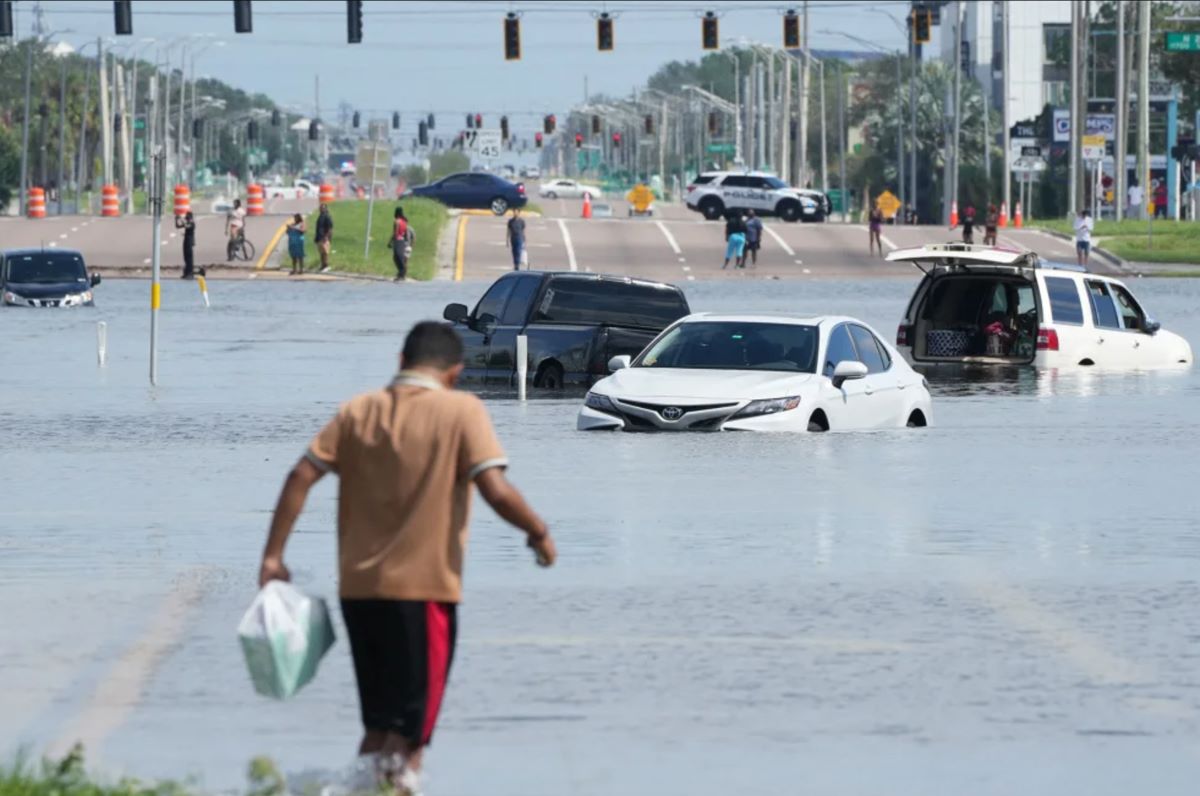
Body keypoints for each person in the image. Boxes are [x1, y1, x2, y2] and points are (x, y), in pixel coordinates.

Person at [258, 321, 557, 795]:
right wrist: (538, 532)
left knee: (378, 729)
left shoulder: (358, 411)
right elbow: (495, 490)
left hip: (359, 594)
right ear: (455, 373)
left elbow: (300, 475)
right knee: (411, 737)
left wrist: (273, 557)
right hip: (425, 595)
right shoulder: (462, 411)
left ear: (400, 362)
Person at [392, 206, 414, 281]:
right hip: (403, 241)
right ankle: (402, 274)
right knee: (402, 258)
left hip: (398, 240)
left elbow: (395, 233)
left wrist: (391, 241)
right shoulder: (404, 222)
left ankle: (401, 273)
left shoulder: (397, 221)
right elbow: (405, 233)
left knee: (397, 258)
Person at [175, 211, 197, 279]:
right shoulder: (188, 222)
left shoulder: (192, 223)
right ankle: (186, 273)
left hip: (190, 242)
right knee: (185, 258)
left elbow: (186, 226)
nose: (186, 219)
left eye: (187, 217)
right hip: (186, 241)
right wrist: (176, 220)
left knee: (189, 258)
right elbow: (178, 226)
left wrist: (181, 219)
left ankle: (190, 273)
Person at [315, 203, 334, 273]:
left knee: (325, 252)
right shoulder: (320, 216)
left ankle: (326, 266)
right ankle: (322, 266)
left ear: (326, 208)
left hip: (324, 238)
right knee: (321, 253)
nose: (321, 209)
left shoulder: (327, 216)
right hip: (319, 237)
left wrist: (326, 237)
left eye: (323, 208)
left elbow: (330, 229)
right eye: (320, 208)